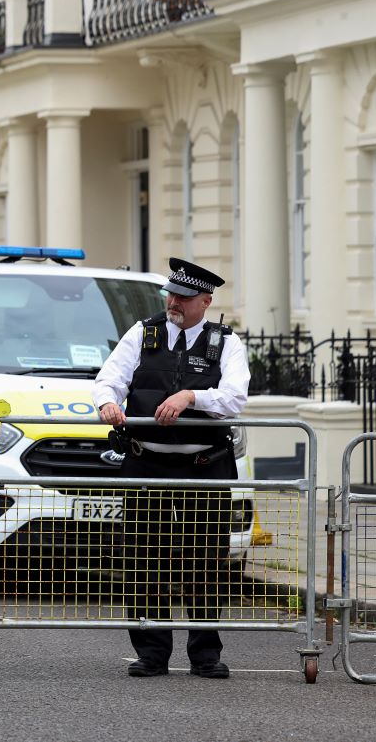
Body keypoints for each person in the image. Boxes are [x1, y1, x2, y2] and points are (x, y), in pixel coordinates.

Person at [92, 258, 249, 680]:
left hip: (205, 466)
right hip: (147, 462)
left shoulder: (225, 343)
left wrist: (191, 397)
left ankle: (205, 655)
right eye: (170, 295)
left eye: (182, 297)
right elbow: (109, 377)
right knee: (144, 557)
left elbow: (235, 397)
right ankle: (151, 651)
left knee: (206, 560)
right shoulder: (143, 333)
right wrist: (107, 401)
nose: (172, 302)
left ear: (205, 300)